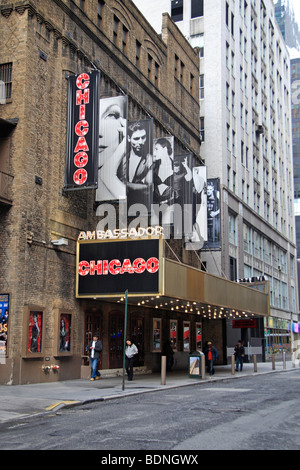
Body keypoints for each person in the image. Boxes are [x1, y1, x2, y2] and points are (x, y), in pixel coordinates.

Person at [126, 120, 153, 211]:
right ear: (129, 138)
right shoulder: (123, 157)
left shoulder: (149, 160)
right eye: (136, 139)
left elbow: (149, 188)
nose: (141, 142)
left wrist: (126, 185)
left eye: (143, 137)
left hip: (139, 207)